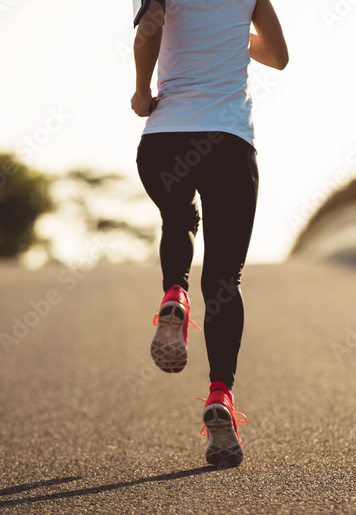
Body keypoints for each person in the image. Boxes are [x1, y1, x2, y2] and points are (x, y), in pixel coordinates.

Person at [131, 0, 288, 467]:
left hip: (164, 140)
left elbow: (149, 30)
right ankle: (220, 394)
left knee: (178, 219)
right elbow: (279, 56)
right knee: (223, 280)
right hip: (229, 144)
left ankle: (173, 295)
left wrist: (141, 92)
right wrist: (234, 34)